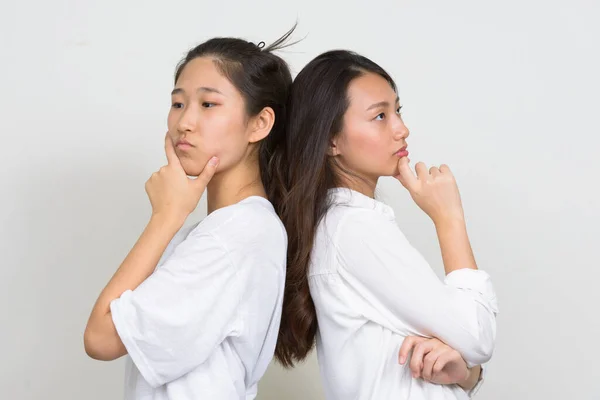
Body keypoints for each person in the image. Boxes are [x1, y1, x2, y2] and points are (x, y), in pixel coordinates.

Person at [272, 50, 499, 399]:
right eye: (380, 115)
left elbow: (462, 352)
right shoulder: (352, 229)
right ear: (331, 140)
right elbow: (476, 335)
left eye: (397, 110)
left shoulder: (347, 225)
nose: (401, 129)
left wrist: (465, 373)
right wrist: (449, 218)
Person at [84, 29, 295, 400]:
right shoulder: (224, 229)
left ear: (259, 123)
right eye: (178, 104)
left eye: (208, 105)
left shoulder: (235, 235)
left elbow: (101, 338)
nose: (184, 122)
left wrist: (165, 217)